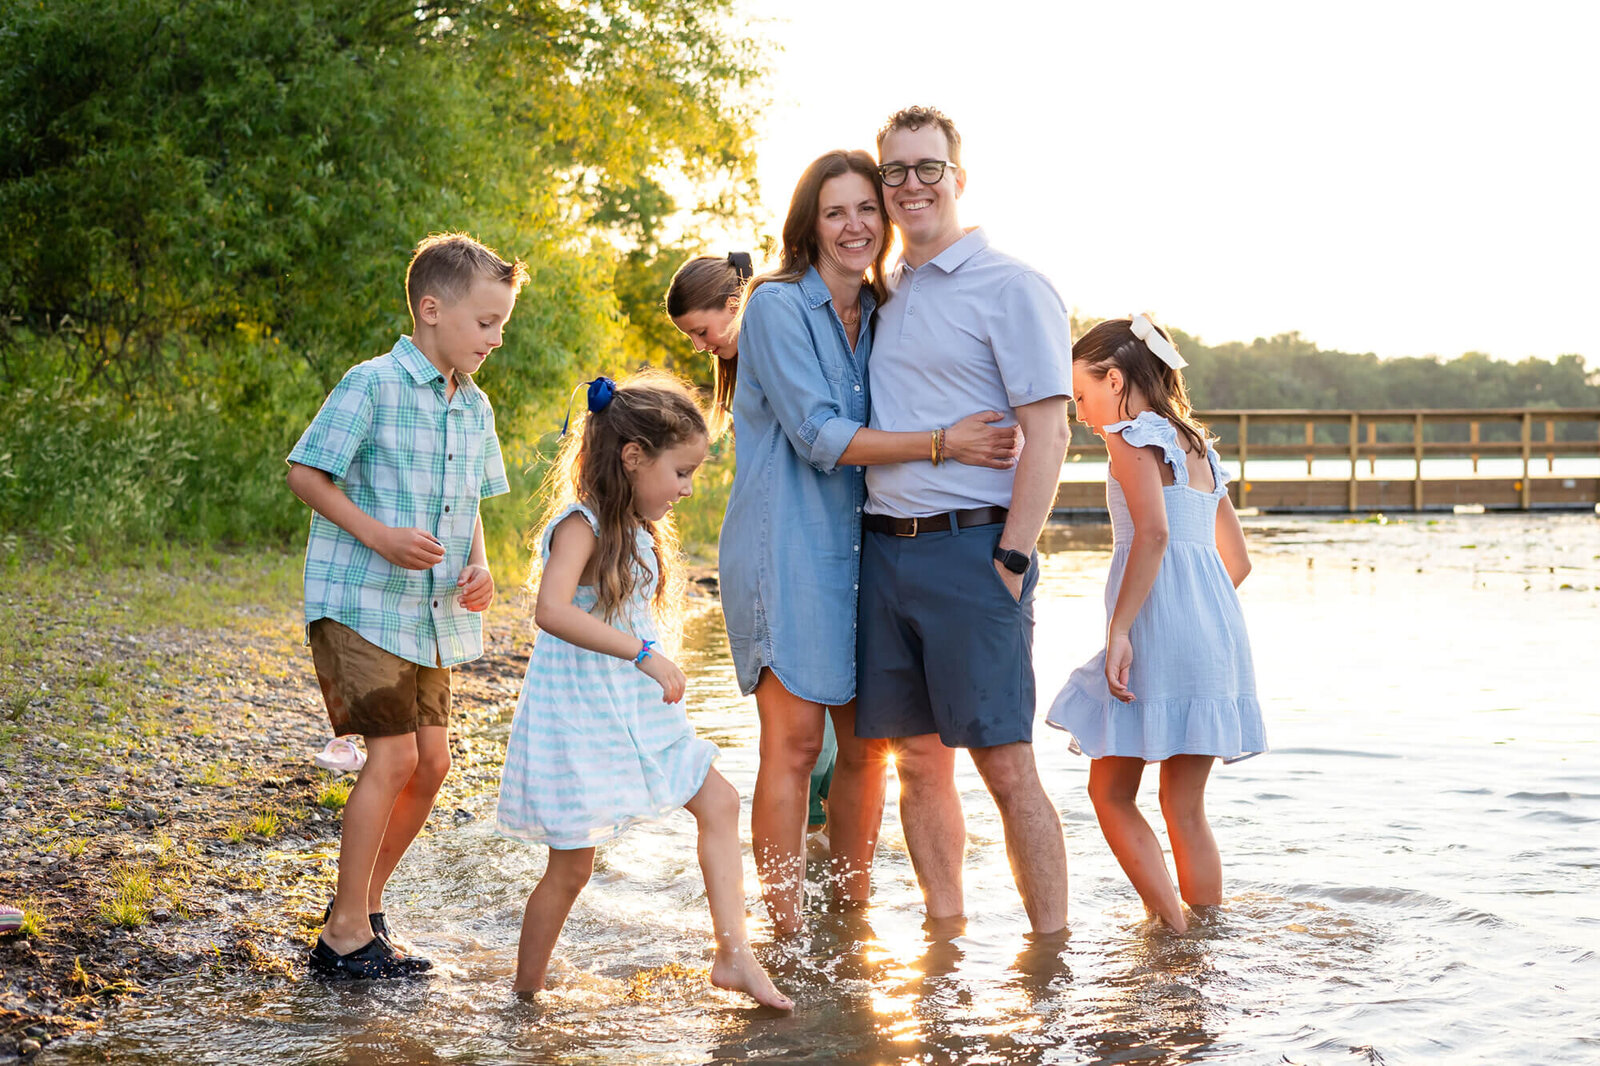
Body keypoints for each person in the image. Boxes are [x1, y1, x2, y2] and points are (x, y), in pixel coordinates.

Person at [721, 148, 1023, 937]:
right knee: (791, 746)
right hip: (782, 550)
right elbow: (820, 437)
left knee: (864, 748)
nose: (854, 225)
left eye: (865, 208)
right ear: (809, 225)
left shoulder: (885, 309)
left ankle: (848, 915)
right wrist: (944, 444)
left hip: (865, 555)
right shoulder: (780, 307)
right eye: (835, 212)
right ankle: (787, 929)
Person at [496, 371, 792, 1010]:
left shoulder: (634, 525)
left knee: (719, 800)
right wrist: (646, 655)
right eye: (681, 472)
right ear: (633, 458)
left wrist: (651, 658)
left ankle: (733, 955)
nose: (686, 488)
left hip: (631, 708)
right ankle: (524, 996)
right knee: (572, 868)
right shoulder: (581, 523)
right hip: (581, 712)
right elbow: (550, 610)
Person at [855, 106, 1071, 935]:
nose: (912, 185)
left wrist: (1013, 555)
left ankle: (1049, 958)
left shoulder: (1011, 286)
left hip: (975, 551)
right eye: (896, 171)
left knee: (1007, 766)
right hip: (885, 558)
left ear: (959, 178)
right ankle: (944, 942)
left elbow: (1049, 430)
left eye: (927, 168)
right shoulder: (890, 289)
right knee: (916, 761)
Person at [287, 232, 524, 979]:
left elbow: (471, 506)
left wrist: (481, 567)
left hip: (431, 612)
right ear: (431, 310)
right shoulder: (372, 384)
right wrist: (380, 537)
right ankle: (344, 939)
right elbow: (306, 474)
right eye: (485, 323)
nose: (495, 338)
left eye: (502, 326)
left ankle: (360, 911)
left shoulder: (475, 406)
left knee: (433, 762)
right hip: (359, 599)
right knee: (390, 756)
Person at [1047, 314, 1265, 933]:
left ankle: (1171, 929)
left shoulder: (1129, 437)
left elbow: (1154, 533)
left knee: (1110, 794)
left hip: (1154, 633)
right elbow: (1238, 562)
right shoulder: (1199, 447)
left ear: (1114, 380)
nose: (1081, 413)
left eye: (1083, 396)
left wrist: (1122, 630)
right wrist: (1199, 611)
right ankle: (1206, 936)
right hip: (1217, 636)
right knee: (1185, 807)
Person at [665, 252, 841, 846]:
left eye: (701, 330)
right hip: (774, 553)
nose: (700, 345)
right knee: (799, 742)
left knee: (830, 743)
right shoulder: (752, 367)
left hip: (805, 551)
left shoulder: (774, 345)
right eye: (691, 336)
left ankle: (828, 880)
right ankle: (797, 888)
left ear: (735, 304)